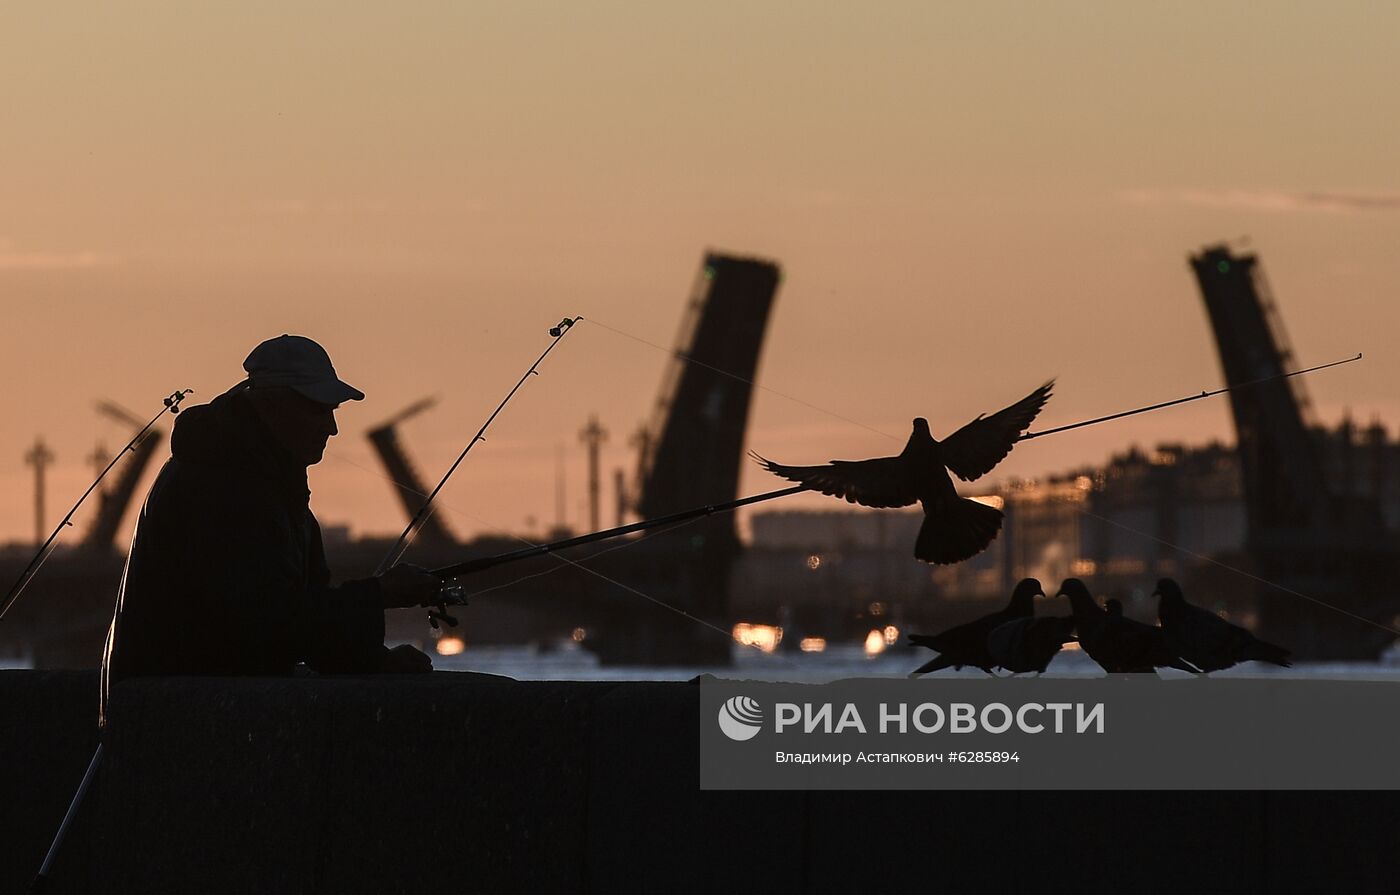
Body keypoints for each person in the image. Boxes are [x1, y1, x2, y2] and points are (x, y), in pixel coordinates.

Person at [101, 335, 443, 720]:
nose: (331, 428)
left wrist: (374, 661)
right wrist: (379, 594)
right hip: (177, 713)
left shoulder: (271, 484)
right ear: (270, 405)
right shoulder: (221, 486)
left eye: (333, 411)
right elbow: (268, 621)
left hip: (189, 700)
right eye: (318, 410)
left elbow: (299, 614)